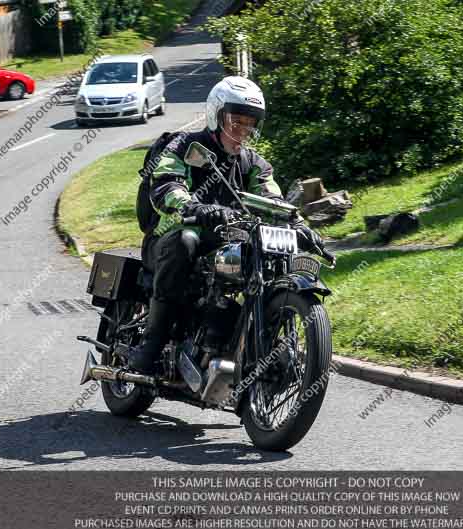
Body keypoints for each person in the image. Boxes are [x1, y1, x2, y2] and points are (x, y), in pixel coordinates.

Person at [128, 76, 323, 374]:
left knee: (264, 260)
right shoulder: (185, 146)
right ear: (215, 115)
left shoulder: (254, 164)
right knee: (186, 242)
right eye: (236, 122)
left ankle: (237, 340)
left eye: (249, 125)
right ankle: (151, 345)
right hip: (169, 240)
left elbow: (273, 200)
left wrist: (298, 223)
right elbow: (166, 184)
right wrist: (194, 206)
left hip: (224, 244)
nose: (242, 131)